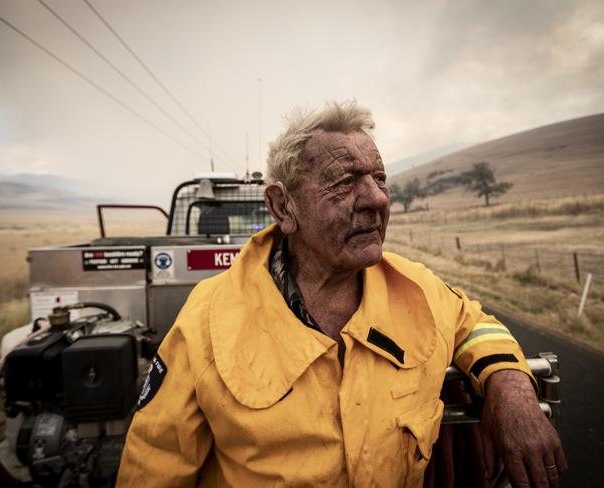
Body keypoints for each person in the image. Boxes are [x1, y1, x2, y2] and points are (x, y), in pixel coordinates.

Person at [116, 101, 566, 487]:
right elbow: (154, 464)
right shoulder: (208, 319)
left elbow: (476, 326)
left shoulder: (417, 288)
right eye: (345, 181)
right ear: (282, 206)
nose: (377, 199)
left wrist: (511, 388)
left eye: (380, 179)